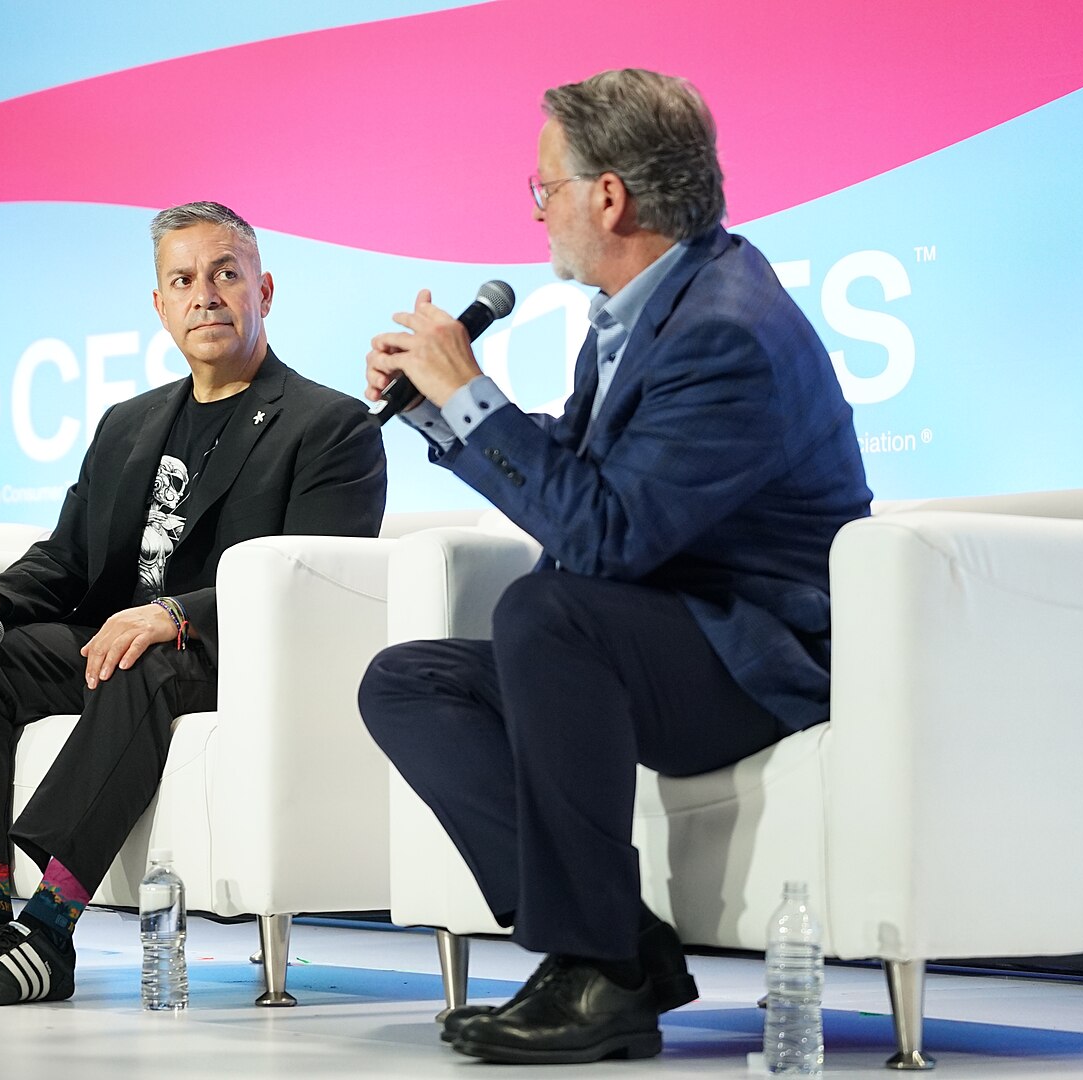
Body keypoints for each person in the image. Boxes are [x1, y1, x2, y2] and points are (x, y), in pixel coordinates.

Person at [358, 69, 872, 1064]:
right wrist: (435, 404)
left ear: (608, 196)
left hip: (755, 657)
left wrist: (472, 395)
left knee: (550, 611)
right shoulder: (657, 304)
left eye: (544, 187)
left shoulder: (726, 327)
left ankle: (593, 968)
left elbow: (607, 536)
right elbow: (598, 479)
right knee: (410, 682)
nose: (539, 210)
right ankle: (623, 949)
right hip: (672, 630)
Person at [0, 201, 387, 1004]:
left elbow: (307, 576)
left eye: (225, 274)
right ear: (160, 305)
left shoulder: (330, 425)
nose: (205, 294)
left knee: (142, 655)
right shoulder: (128, 424)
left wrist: (175, 613)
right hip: (114, 645)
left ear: (264, 290)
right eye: (183, 280)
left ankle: (48, 933)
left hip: (229, 655)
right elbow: (67, 559)